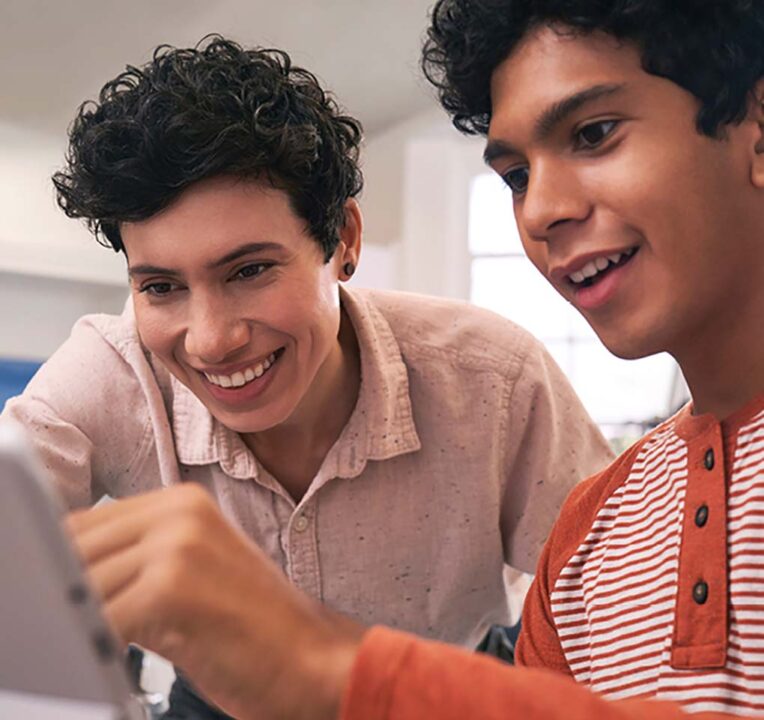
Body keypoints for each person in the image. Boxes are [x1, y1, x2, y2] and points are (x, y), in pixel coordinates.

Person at [66, 0, 764, 718]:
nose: (539, 210)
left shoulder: (494, 380)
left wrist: (333, 668)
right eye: (516, 176)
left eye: (595, 133)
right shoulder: (591, 530)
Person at [0, 35, 613, 717]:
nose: (211, 340)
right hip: (221, 702)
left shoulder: (493, 380)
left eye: (250, 271)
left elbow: (619, 628)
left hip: (439, 691)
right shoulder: (111, 373)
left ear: (344, 242)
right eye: (162, 287)